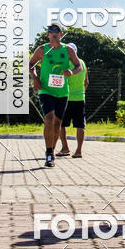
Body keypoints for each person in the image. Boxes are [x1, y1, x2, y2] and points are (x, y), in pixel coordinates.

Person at [29, 24, 82, 167]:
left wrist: (71, 72)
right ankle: (48, 153)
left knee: (58, 123)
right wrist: (35, 78)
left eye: (56, 32)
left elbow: (79, 66)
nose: (53, 34)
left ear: (61, 34)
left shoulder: (68, 50)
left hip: (62, 91)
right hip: (46, 90)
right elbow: (31, 64)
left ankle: (51, 151)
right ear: (48, 35)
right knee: (49, 118)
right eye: (51, 32)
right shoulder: (42, 50)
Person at [57, 42, 88, 158]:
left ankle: (65, 148)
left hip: (67, 98)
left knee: (61, 124)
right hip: (80, 98)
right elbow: (86, 82)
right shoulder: (83, 64)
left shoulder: (66, 64)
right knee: (80, 125)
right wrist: (81, 92)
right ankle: (78, 151)